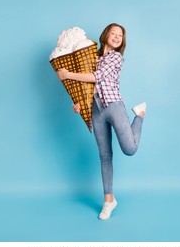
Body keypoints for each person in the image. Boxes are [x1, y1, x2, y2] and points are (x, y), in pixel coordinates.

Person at [57, 23, 146, 220]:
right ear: (105, 35)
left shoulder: (115, 57)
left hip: (113, 106)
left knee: (129, 149)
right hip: (96, 110)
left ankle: (139, 115)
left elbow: (96, 77)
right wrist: (79, 103)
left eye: (120, 35)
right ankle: (109, 201)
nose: (116, 37)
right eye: (113, 33)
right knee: (105, 156)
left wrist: (68, 74)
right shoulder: (91, 57)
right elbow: (84, 87)